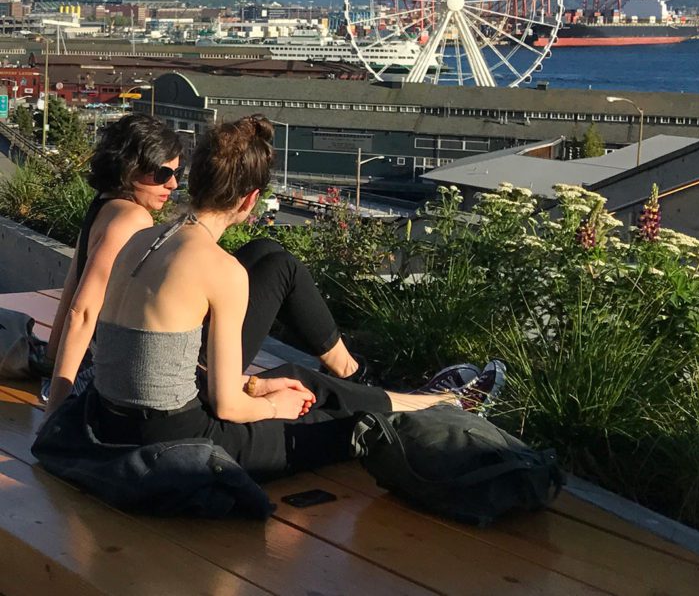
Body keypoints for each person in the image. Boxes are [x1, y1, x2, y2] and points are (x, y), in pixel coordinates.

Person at [88, 116, 504, 479]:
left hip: (111, 422)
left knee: (297, 379)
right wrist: (275, 407)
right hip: (176, 441)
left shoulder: (144, 238)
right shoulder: (221, 269)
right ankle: (437, 407)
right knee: (338, 428)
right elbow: (228, 408)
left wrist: (260, 386)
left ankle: (431, 402)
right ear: (251, 200)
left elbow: (159, 364)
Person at [43, 114, 184, 415]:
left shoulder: (104, 205)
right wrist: (55, 411)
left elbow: (71, 287)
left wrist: (51, 361)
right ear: (130, 166)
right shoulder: (132, 219)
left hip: (87, 370)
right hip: (101, 378)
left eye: (176, 174)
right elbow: (82, 312)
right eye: (162, 173)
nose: (172, 184)